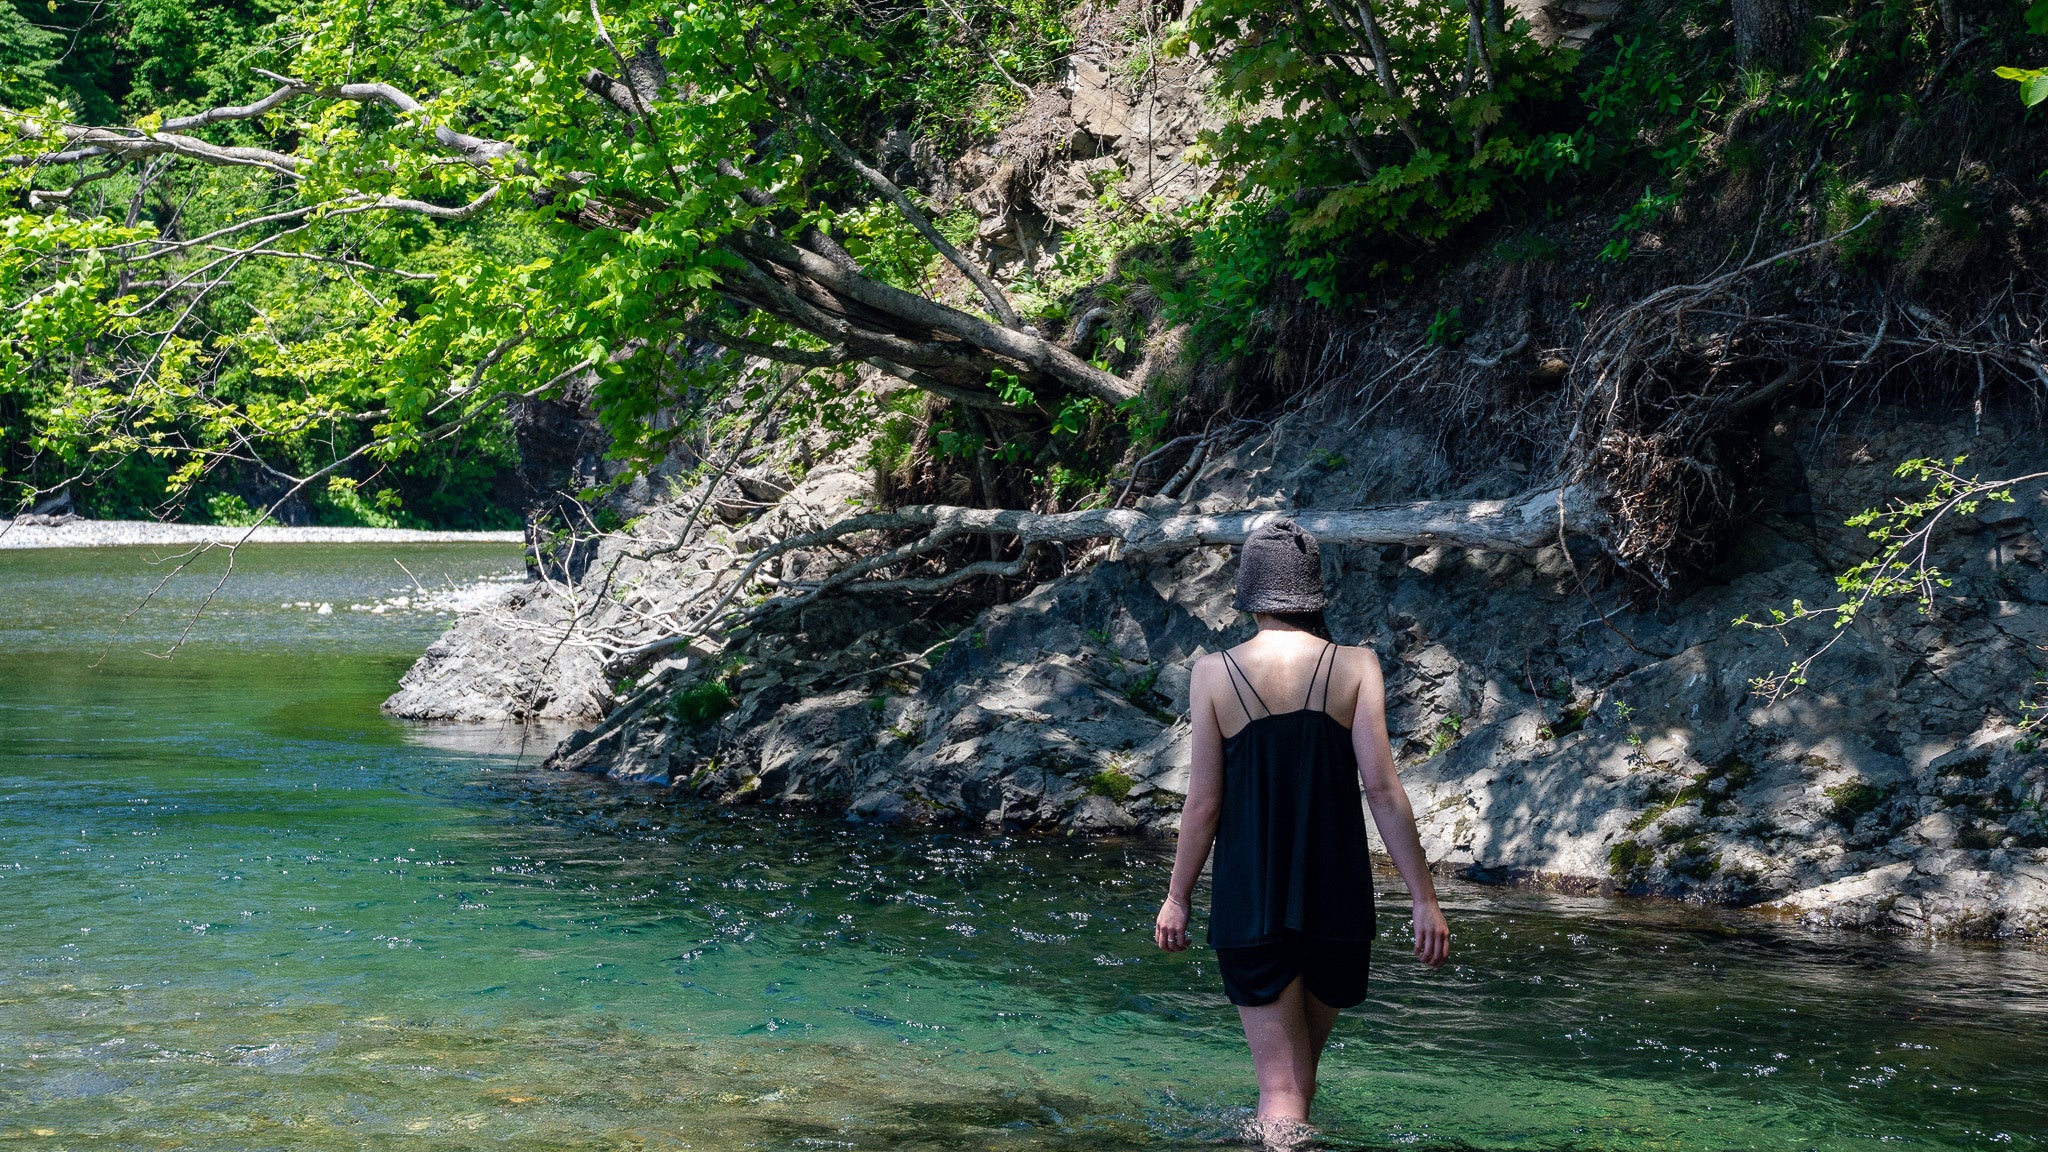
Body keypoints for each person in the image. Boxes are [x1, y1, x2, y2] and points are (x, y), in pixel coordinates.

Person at [1153, 517, 1451, 1145]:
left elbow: (1204, 803)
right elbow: (1385, 791)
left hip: (1250, 904)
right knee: (1300, 1085)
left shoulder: (1213, 674)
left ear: (1250, 595)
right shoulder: (1356, 666)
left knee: (1281, 1091)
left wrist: (1178, 896)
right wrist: (1423, 898)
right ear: (1313, 594)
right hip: (1337, 901)